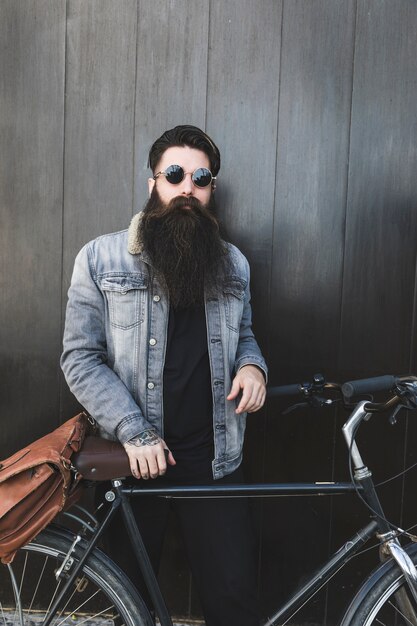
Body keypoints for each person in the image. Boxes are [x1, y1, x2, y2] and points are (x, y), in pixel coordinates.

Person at [61, 125, 267, 626]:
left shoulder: (233, 264)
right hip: (132, 462)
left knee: (233, 600)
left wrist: (252, 366)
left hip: (214, 460)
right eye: (174, 174)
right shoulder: (100, 258)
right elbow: (79, 359)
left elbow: (245, 334)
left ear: (210, 189)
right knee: (127, 603)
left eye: (201, 178)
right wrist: (135, 431)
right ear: (153, 182)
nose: (187, 188)